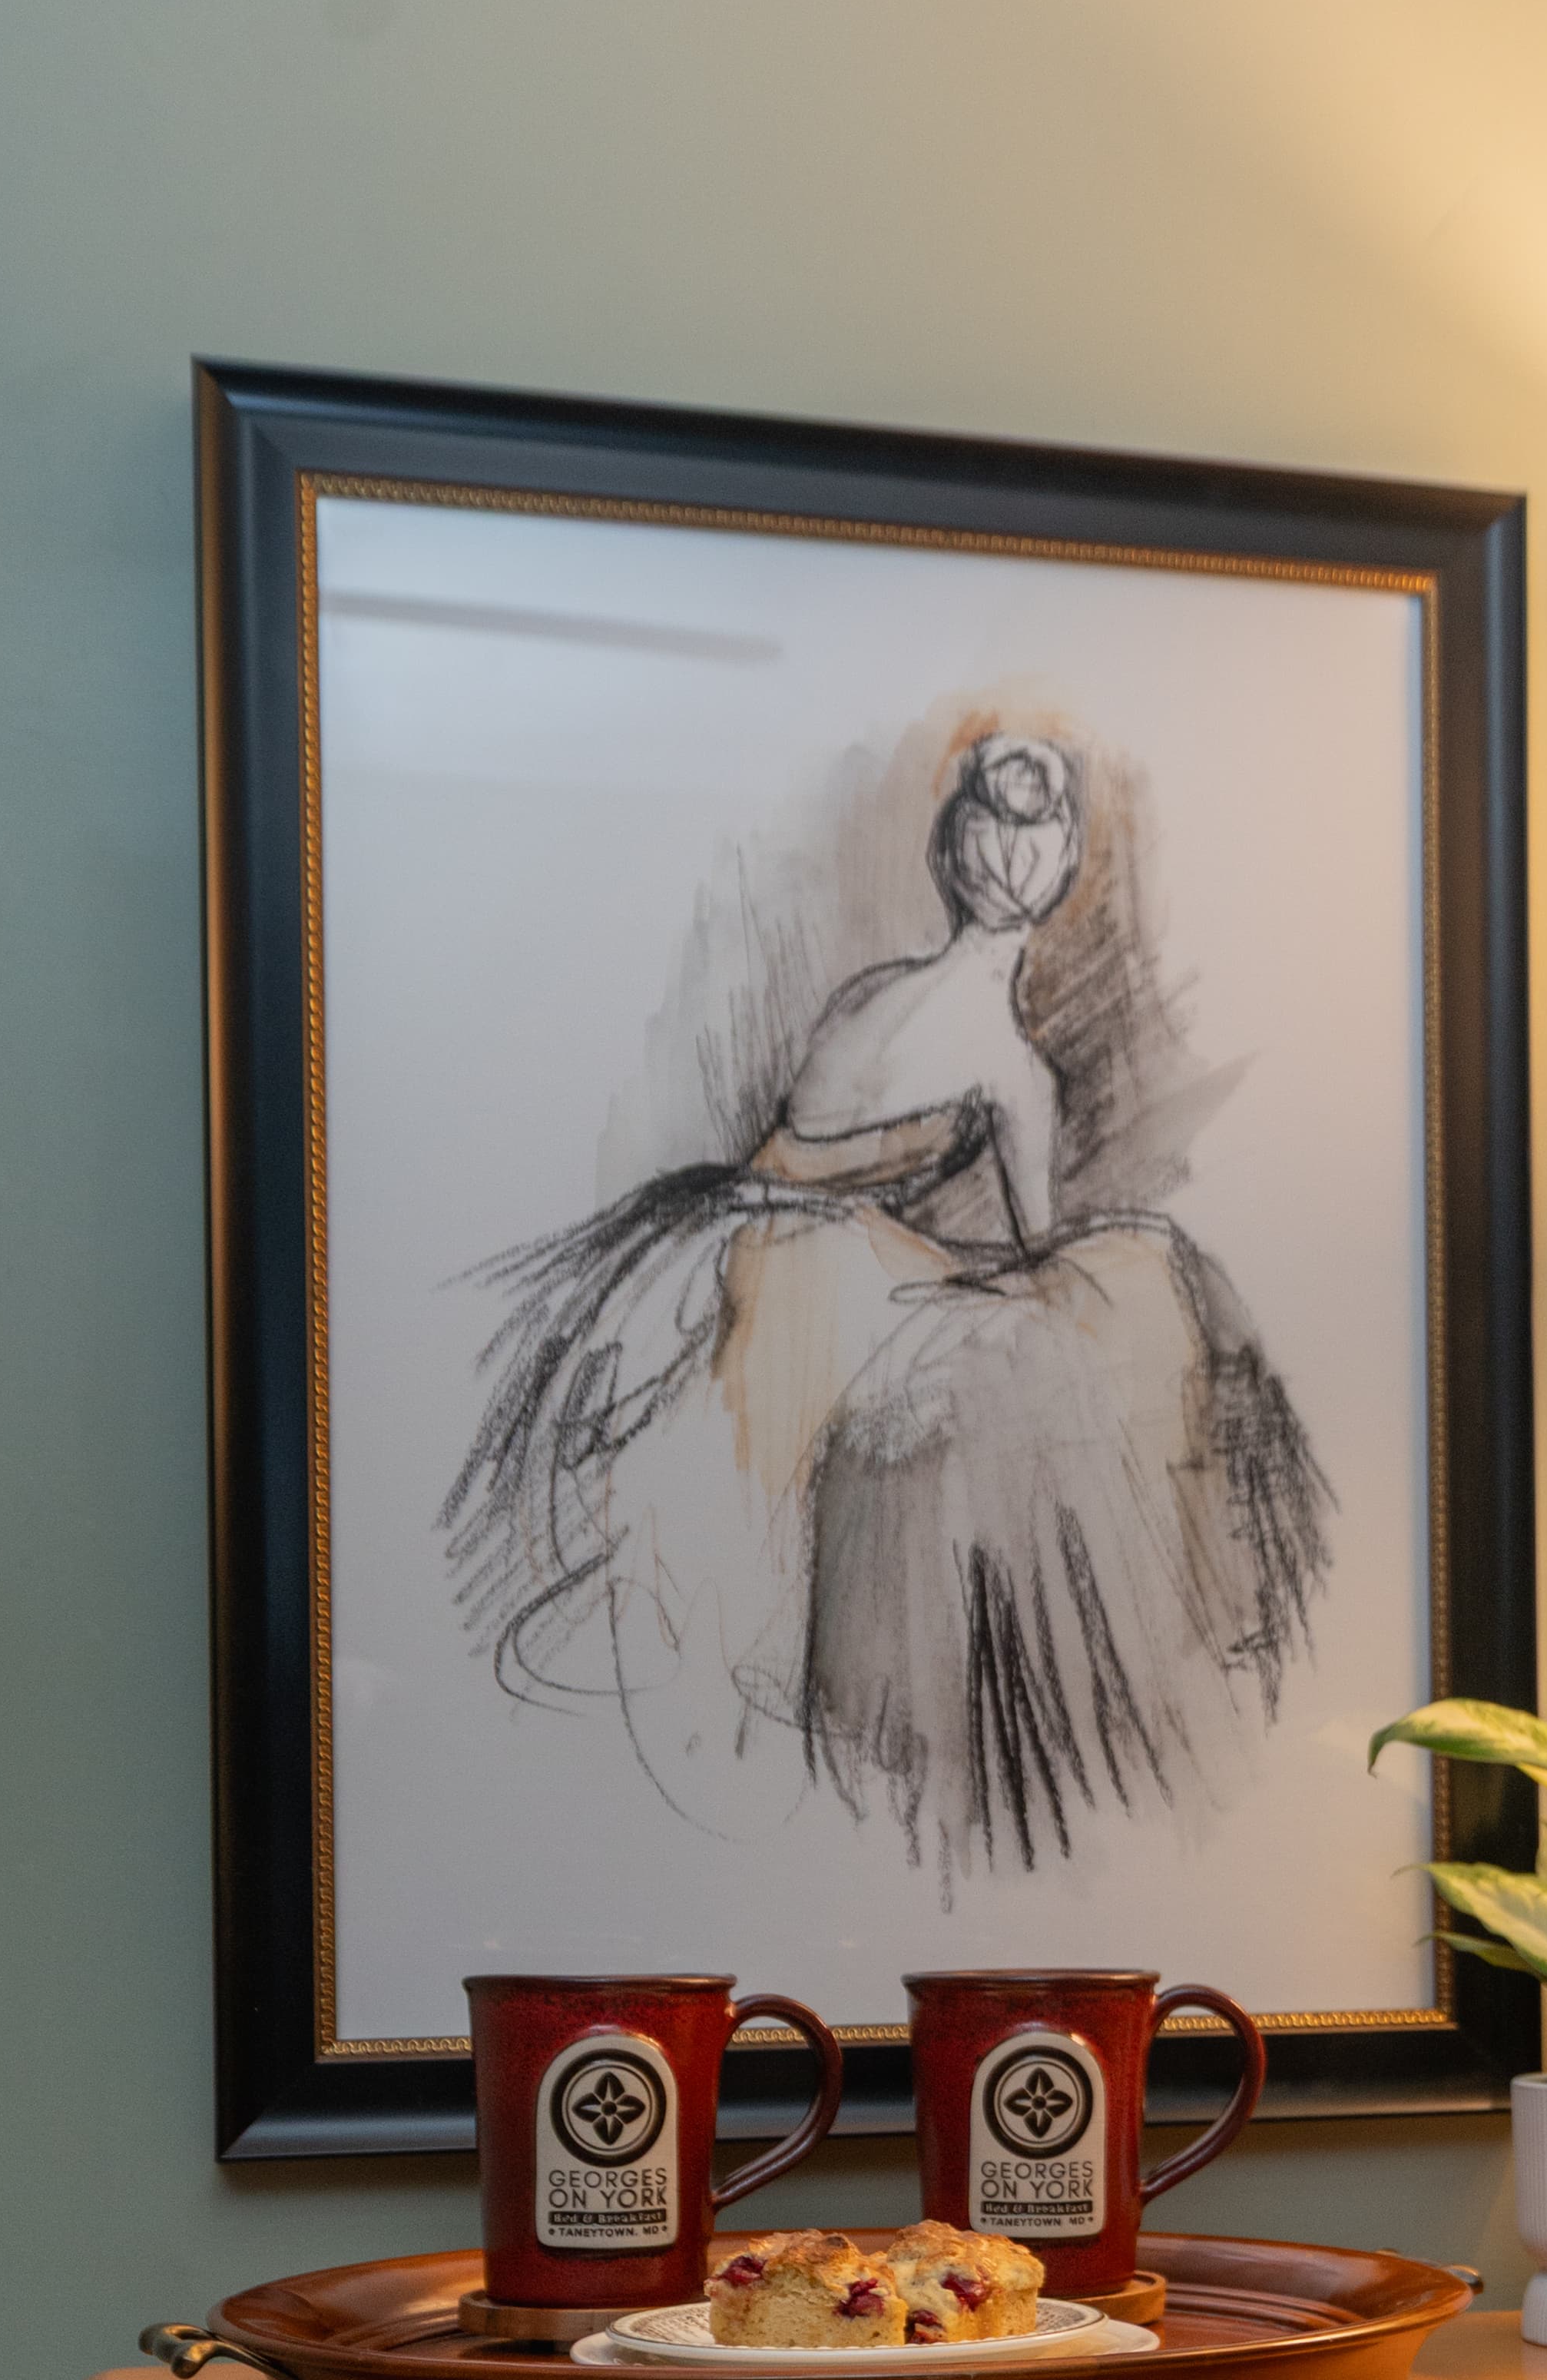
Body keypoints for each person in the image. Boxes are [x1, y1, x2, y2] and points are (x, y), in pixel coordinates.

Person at [444, 728, 1332, 1880]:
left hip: (721, 1233)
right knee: (1130, 1285)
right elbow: (1037, 1258)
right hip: (814, 1282)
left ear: (952, 859)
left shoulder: (868, 994)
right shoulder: (1013, 1071)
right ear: (1056, 877)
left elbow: (803, 1151)